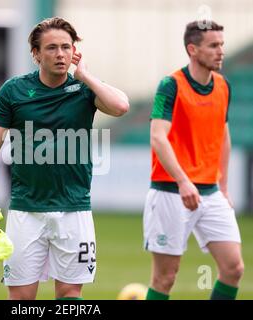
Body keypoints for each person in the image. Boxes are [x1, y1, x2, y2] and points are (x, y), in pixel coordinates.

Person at [0, 17, 129, 300]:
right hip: (25, 210)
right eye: (51, 48)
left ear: (74, 51)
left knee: (70, 296)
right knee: (21, 298)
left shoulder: (85, 90)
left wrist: (85, 75)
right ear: (36, 54)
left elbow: (121, 106)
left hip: (75, 209)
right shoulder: (14, 91)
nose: (60, 54)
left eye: (66, 47)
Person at [144, 21, 244, 300]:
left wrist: (223, 187)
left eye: (222, 44)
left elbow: (223, 136)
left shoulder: (223, 86)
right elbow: (158, 138)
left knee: (233, 268)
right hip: (170, 192)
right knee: (165, 278)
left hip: (210, 193)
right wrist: (183, 181)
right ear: (193, 49)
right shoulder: (170, 85)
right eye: (213, 45)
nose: (221, 51)